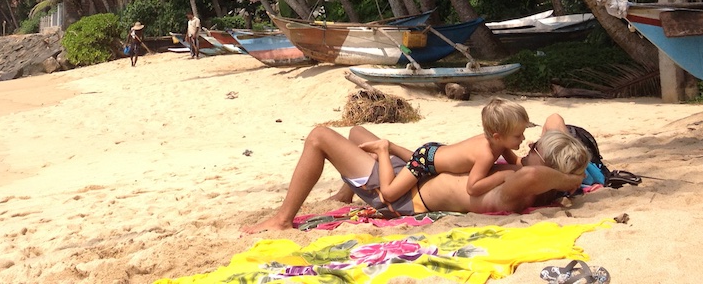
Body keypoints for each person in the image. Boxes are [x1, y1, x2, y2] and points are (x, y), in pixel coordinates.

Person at [242, 112, 589, 232]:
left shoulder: (519, 186)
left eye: (535, 149)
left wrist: (571, 179)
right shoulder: (536, 174)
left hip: (401, 198)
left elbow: (533, 175)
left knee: (320, 136)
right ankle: (347, 190)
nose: (528, 146)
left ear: (547, 169)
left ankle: (283, 218)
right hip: (416, 176)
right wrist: (569, 167)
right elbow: (555, 121)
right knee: (357, 133)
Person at [371, 97, 533, 203]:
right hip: (426, 160)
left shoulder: (499, 143)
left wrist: (532, 164)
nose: (523, 139)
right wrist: (502, 175)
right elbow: (473, 187)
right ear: (498, 136)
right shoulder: (486, 154)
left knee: (423, 159)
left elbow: (515, 162)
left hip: (435, 152)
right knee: (390, 194)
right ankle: (383, 149)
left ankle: (394, 148)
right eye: (518, 135)